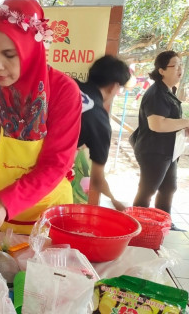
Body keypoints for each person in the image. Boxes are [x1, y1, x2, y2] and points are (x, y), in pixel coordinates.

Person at [0, 0, 82, 249]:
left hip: (46, 218)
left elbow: (56, 164)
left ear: (31, 51)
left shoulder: (63, 92)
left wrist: (6, 202)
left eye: (9, 55)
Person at [131, 50, 189, 231]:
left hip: (167, 151)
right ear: (162, 70)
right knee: (147, 190)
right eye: (175, 65)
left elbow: (168, 123)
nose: (180, 69)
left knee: (168, 188)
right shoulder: (156, 93)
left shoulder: (167, 91)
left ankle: (163, 225)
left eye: (181, 64)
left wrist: (182, 128)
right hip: (153, 151)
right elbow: (157, 124)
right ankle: (134, 226)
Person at [72, 55, 131, 211]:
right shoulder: (100, 121)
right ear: (114, 86)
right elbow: (97, 180)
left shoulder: (67, 84)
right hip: (43, 176)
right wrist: (114, 200)